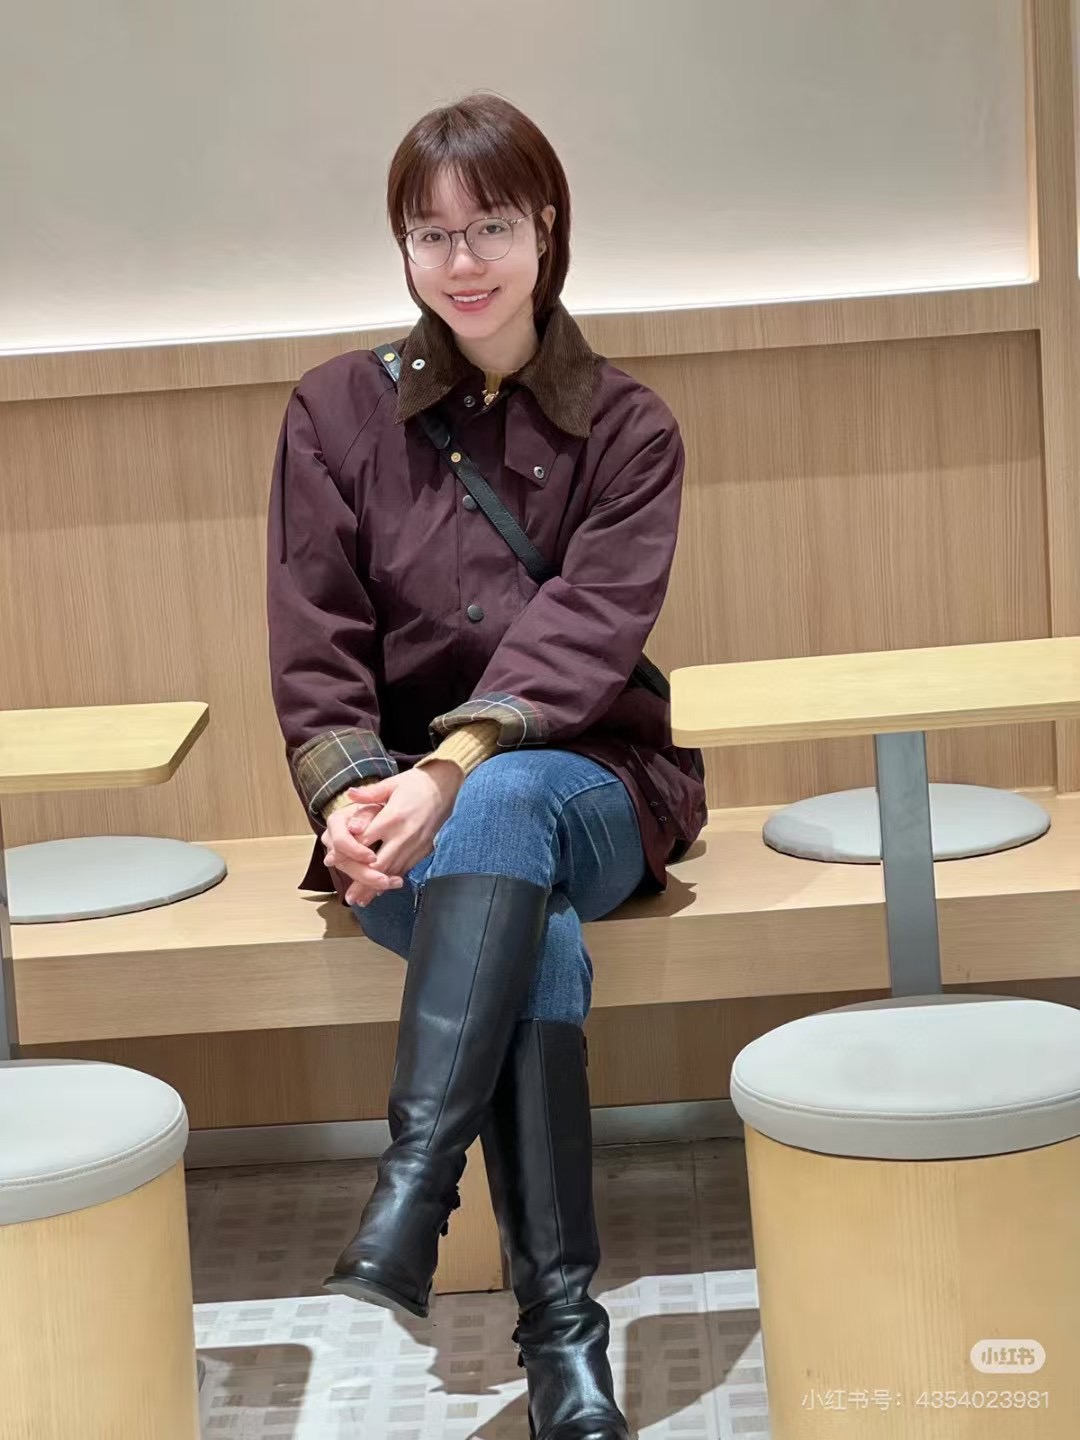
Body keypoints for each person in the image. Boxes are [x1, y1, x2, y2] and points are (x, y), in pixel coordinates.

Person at [266, 90, 707, 1440]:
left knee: (508, 794)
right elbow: (315, 637)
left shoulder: (628, 428)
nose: (462, 263)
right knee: (541, 939)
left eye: (492, 227)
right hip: (401, 807)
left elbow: (586, 637)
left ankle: (414, 1186)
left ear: (546, 229)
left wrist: (451, 768)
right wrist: (351, 803)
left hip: (593, 782)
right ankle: (565, 1342)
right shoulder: (335, 412)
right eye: (432, 235)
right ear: (402, 247)